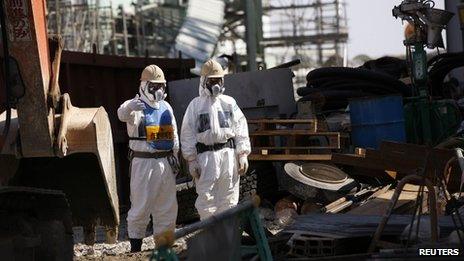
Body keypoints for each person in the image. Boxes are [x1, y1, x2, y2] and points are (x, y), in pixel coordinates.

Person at [117, 65, 179, 252]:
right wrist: (129, 107)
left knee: (167, 206)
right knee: (141, 205)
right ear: (144, 86)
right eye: (154, 86)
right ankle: (136, 247)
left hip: (165, 163)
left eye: (161, 86)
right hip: (143, 163)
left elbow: (173, 132)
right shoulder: (135, 107)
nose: (158, 90)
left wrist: (176, 155)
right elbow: (121, 115)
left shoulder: (166, 107)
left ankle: (164, 245)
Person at [180, 59, 251, 220]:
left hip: (228, 155)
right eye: (212, 81)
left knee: (230, 196)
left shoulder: (229, 103)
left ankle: (226, 237)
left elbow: (240, 128)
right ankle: (210, 236)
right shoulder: (196, 106)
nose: (216, 84)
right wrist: (191, 160)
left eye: (218, 80)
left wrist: (243, 154)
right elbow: (187, 134)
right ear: (204, 81)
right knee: (206, 198)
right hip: (206, 157)